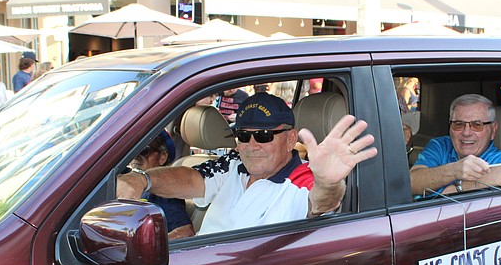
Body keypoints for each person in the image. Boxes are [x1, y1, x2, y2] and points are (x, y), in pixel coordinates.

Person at [117, 92, 377, 235]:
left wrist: (328, 181)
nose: (251, 145)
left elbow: (321, 202)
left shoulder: (304, 178)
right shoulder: (231, 163)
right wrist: (142, 179)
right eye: (243, 135)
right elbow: (189, 180)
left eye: (264, 136)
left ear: (290, 140)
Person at [410, 93, 501, 195]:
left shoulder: (496, 158)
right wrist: (454, 170)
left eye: (477, 125)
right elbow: (411, 183)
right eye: (458, 124)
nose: (466, 133)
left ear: (493, 130)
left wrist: (459, 188)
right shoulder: (441, 145)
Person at [129, 132, 195, 239]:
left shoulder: (163, 192)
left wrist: (151, 247)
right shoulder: (125, 180)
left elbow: (185, 231)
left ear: (162, 157)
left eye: (143, 151)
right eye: (132, 151)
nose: (136, 157)